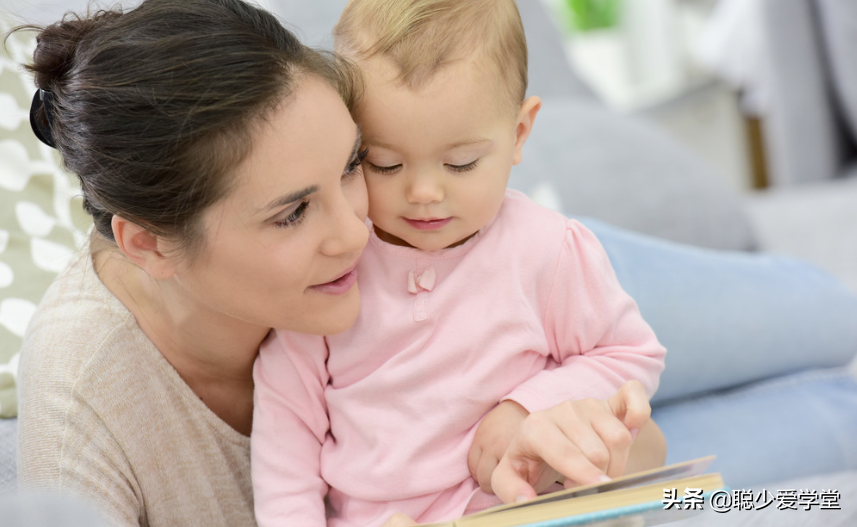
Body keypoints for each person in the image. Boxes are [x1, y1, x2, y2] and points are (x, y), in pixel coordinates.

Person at [12, 1, 656, 525]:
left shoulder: (449, 233)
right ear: (150, 244)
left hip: (518, 267)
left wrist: (557, 419)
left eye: (353, 164)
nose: (359, 233)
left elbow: (645, 435)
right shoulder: (84, 410)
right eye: (292, 213)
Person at [250, 1, 667, 526]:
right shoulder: (333, 267)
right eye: (384, 163)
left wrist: (526, 406)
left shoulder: (545, 249)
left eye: (461, 163)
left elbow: (629, 355)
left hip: (520, 508)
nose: (424, 193)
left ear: (518, 134)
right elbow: (285, 446)